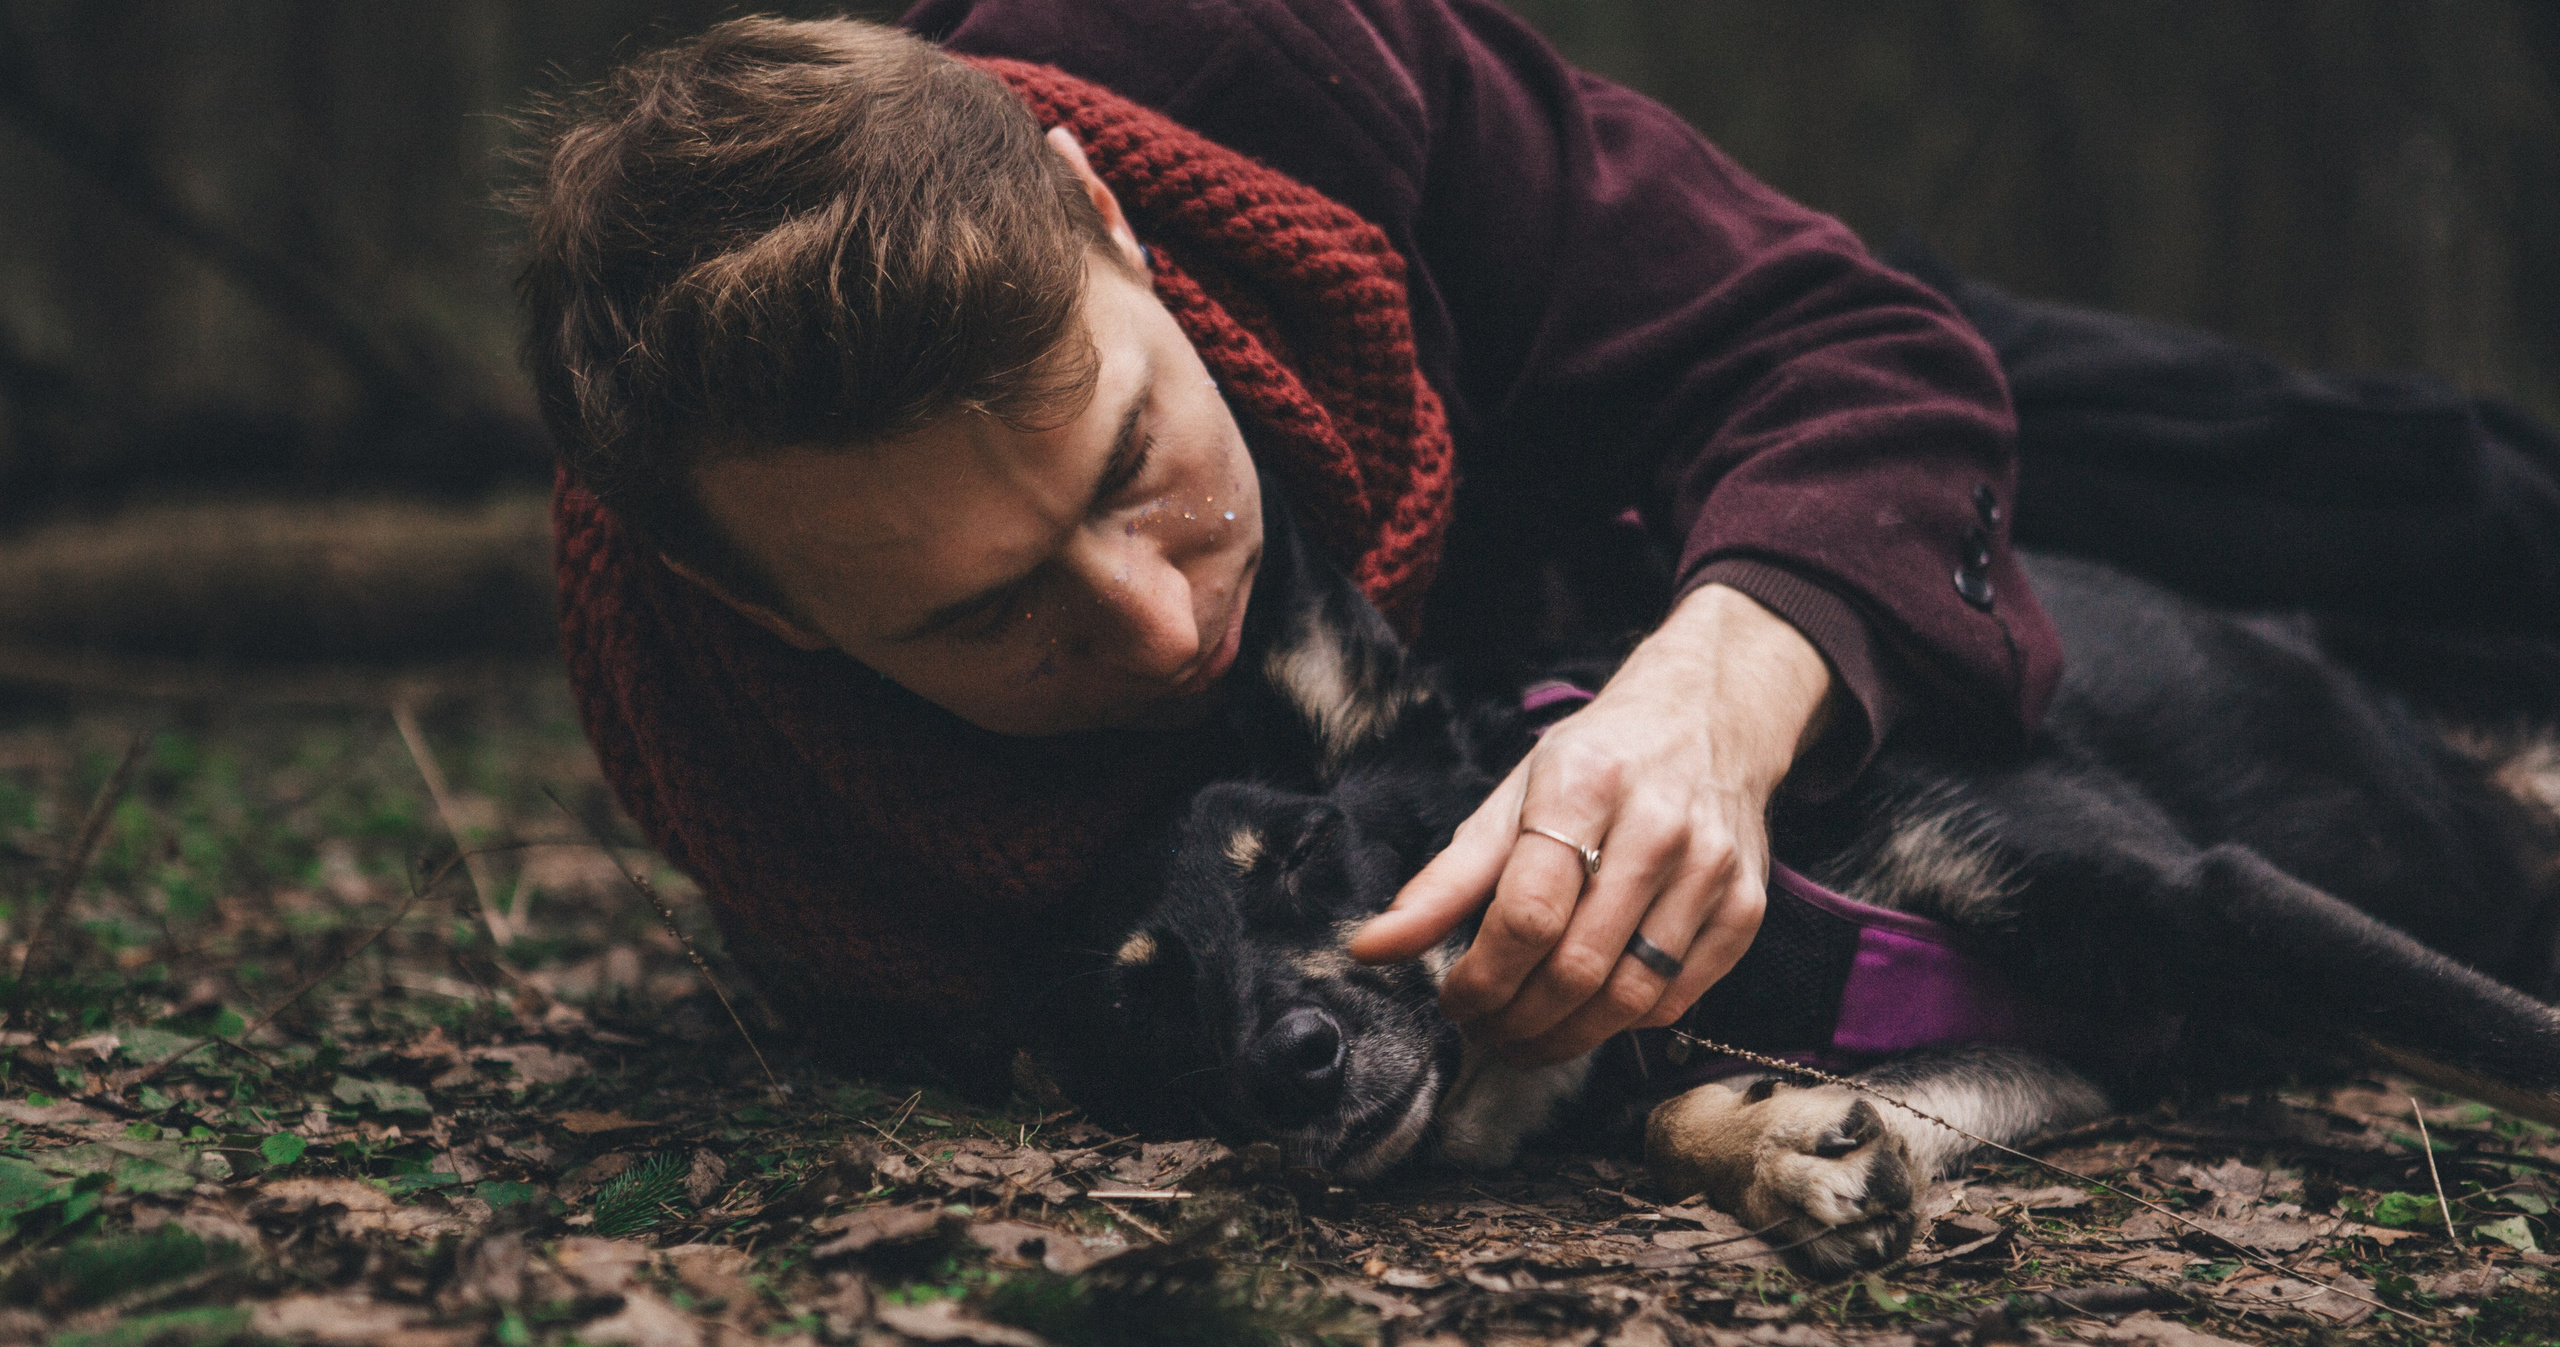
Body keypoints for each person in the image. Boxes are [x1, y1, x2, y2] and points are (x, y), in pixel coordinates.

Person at [516, 1, 2060, 1074]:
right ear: (758, 603)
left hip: (1900, 453)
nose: (1165, 628)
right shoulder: (721, 728)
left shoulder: (1261, 54)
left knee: (2278, 486)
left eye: (1134, 461)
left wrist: (1709, 702)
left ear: (1105, 216)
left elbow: (1848, 351)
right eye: (984, 615)